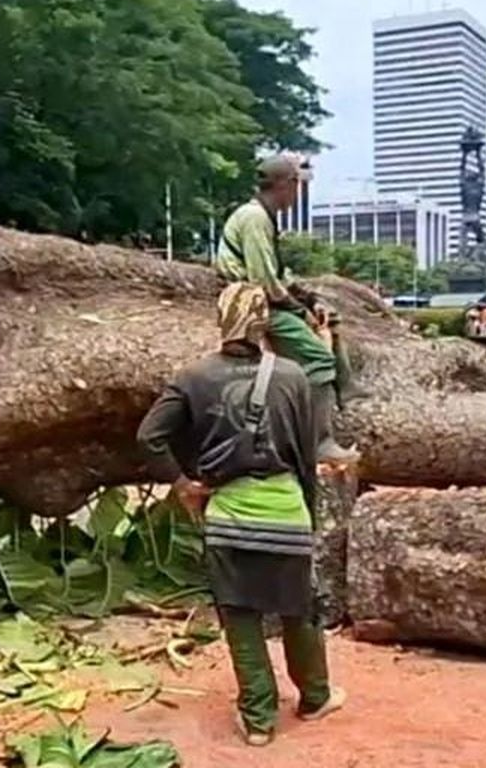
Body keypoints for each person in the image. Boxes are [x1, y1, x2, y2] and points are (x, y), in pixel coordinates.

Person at [136, 283, 348, 746]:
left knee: (239, 613)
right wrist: (308, 511)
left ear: (221, 320)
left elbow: (149, 437)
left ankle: (258, 722)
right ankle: (315, 698)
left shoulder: (194, 376)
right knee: (298, 608)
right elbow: (309, 451)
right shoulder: (293, 376)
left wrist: (184, 484)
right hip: (286, 512)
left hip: (228, 514)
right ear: (264, 323)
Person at [215, 154, 357, 464]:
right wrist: (299, 311)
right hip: (250, 302)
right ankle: (320, 441)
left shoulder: (263, 217)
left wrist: (309, 299)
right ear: (286, 184)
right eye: (297, 185)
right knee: (318, 358)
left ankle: (347, 389)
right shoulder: (254, 218)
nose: (298, 193)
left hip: (263, 296)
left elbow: (280, 275)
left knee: (329, 318)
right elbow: (264, 280)